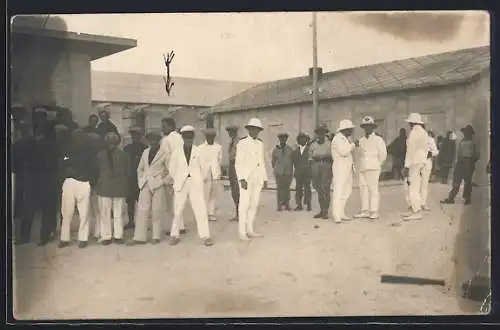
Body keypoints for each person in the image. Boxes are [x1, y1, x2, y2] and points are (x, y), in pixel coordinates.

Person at [17, 109, 60, 246]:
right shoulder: (53, 141)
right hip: (48, 179)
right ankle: (43, 238)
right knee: (47, 210)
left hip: (34, 179)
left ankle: (25, 237)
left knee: (29, 210)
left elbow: (22, 158)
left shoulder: (30, 141)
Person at [168, 126, 214, 246]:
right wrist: (178, 178)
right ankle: (174, 235)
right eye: (186, 137)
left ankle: (205, 236)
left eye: (190, 137)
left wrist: (198, 179)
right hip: (180, 183)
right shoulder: (177, 152)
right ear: (182, 138)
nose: (188, 139)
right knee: (178, 210)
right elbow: (172, 169)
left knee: (200, 209)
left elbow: (204, 168)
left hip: (195, 182)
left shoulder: (198, 151)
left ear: (193, 138)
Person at [127, 131, 171, 245]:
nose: (153, 142)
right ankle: (139, 237)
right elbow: (140, 168)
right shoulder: (145, 152)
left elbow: (171, 170)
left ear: (159, 141)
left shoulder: (165, 153)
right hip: (146, 183)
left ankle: (156, 236)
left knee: (157, 209)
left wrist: (163, 181)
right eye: (150, 140)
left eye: (155, 140)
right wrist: (141, 180)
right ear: (148, 141)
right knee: (142, 210)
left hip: (158, 183)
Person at [58, 129, 99, 248]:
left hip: (83, 182)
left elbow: (93, 168)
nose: (78, 138)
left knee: (84, 212)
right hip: (69, 182)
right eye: (76, 136)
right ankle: (64, 238)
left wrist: (86, 177)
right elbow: (63, 164)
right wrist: (71, 171)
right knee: (66, 211)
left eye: (81, 136)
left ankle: (83, 238)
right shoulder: (67, 149)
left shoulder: (90, 151)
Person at [235, 118, 268, 241]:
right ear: (248, 130)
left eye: (257, 130)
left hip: (257, 177)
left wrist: (264, 178)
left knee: (254, 204)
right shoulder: (242, 143)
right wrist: (242, 178)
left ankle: (250, 229)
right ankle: (242, 232)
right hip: (246, 179)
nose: (255, 132)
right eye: (253, 129)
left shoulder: (260, 144)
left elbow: (261, 161)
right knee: (244, 205)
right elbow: (238, 163)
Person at [95, 132, 130, 245]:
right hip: (105, 188)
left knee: (118, 213)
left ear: (117, 142)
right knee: (105, 213)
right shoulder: (99, 155)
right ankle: (106, 236)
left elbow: (128, 172)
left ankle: (118, 236)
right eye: (109, 142)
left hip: (118, 188)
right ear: (105, 143)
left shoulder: (123, 155)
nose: (111, 144)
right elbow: (95, 171)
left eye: (113, 142)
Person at [353, 116, 387, 220]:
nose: (367, 129)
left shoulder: (378, 139)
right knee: (363, 189)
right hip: (363, 168)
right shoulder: (361, 141)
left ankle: (374, 211)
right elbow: (358, 155)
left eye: (369, 126)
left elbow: (383, 154)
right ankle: (365, 210)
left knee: (373, 189)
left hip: (373, 167)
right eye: (365, 127)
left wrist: (377, 164)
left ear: (373, 127)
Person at [441, 125, 479, 205]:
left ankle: (467, 198)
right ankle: (451, 198)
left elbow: (477, 155)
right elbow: (458, 152)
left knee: (467, 182)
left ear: (470, 133)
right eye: (465, 132)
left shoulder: (473, 142)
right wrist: (457, 162)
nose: (465, 134)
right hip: (460, 162)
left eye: (467, 132)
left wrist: (471, 163)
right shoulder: (461, 141)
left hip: (468, 162)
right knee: (456, 181)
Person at [160, 117, 186, 235]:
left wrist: (165, 174)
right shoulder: (180, 137)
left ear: (170, 126)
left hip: (171, 172)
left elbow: (165, 158)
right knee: (178, 199)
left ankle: (175, 227)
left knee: (171, 202)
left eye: (164, 126)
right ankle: (181, 225)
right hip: (181, 171)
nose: (162, 128)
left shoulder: (166, 139)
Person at [401, 113, 429, 221]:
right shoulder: (424, 133)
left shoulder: (413, 133)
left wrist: (406, 166)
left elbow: (410, 151)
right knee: (416, 185)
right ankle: (414, 209)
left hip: (414, 162)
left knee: (413, 187)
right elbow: (426, 149)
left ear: (411, 123)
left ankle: (417, 211)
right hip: (422, 161)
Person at [331, 119, 356, 224]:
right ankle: (337, 215)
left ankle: (341, 213)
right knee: (339, 191)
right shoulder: (338, 138)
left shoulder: (345, 138)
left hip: (346, 169)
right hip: (340, 169)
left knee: (346, 191)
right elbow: (344, 152)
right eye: (350, 129)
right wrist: (354, 145)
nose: (351, 131)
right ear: (345, 129)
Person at [123, 126, 147, 230]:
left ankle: (142, 223)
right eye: (133, 135)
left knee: (142, 202)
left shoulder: (145, 149)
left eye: (136, 135)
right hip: (130, 178)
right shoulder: (127, 148)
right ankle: (131, 221)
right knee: (130, 202)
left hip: (141, 178)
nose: (134, 137)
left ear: (140, 136)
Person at [198, 128, 223, 222]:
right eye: (208, 137)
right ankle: (204, 213)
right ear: (205, 137)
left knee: (213, 194)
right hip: (204, 173)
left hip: (215, 173)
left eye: (212, 137)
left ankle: (211, 213)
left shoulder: (218, 147)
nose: (210, 139)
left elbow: (219, 160)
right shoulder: (200, 148)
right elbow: (199, 161)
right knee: (205, 194)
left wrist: (216, 170)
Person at [309, 124, 332, 219]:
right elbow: (310, 158)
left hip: (326, 166)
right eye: (319, 133)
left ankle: (326, 211)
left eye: (322, 132)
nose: (320, 134)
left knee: (325, 188)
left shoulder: (330, 143)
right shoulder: (313, 145)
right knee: (318, 189)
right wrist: (311, 171)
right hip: (316, 166)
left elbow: (333, 156)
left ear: (325, 133)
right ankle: (322, 210)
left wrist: (323, 157)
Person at [272, 132, 294, 211]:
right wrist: (277, 169)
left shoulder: (290, 149)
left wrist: (291, 171)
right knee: (279, 189)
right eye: (281, 139)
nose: (283, 140)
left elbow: (292, 161)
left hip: (288, 172)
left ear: (286, 139)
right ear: (279, 139)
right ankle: (279, 205)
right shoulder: (276, 150)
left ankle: (287, 204)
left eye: (284, 138)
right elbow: (273, 162)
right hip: (279, 172)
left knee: (287, 189)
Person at [420, 129, 440, 211]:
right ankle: (415, 203)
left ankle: (423, 203)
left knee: (424, 184)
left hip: (426, 163)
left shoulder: (430, 140)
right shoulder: (414, 139)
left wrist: (429, 154)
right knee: (415, 184)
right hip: (416, 163)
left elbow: (436, 151)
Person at [292, 132, 312, 211]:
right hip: (298, 173)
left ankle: (308, 204)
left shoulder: (309, 149)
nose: (302, 140)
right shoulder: (295, 151)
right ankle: (299, 205)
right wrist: (295, 171)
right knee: (298, 189)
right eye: (300, 139)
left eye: (304, 138)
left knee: (307, 189)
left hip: (307, 172)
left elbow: (311, 161)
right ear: (298, 141)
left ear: (306, 140)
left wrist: (311, 172)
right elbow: (294, 162)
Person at [226, 124, 241, 221]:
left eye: (232, 132)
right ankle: (237, 214)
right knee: (234, 192)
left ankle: (240, 214)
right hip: (231, 167)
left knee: (238, 191)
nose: (230, 134)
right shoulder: (231, 142)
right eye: (229, 132)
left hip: (237, 166)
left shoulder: (239, 142)